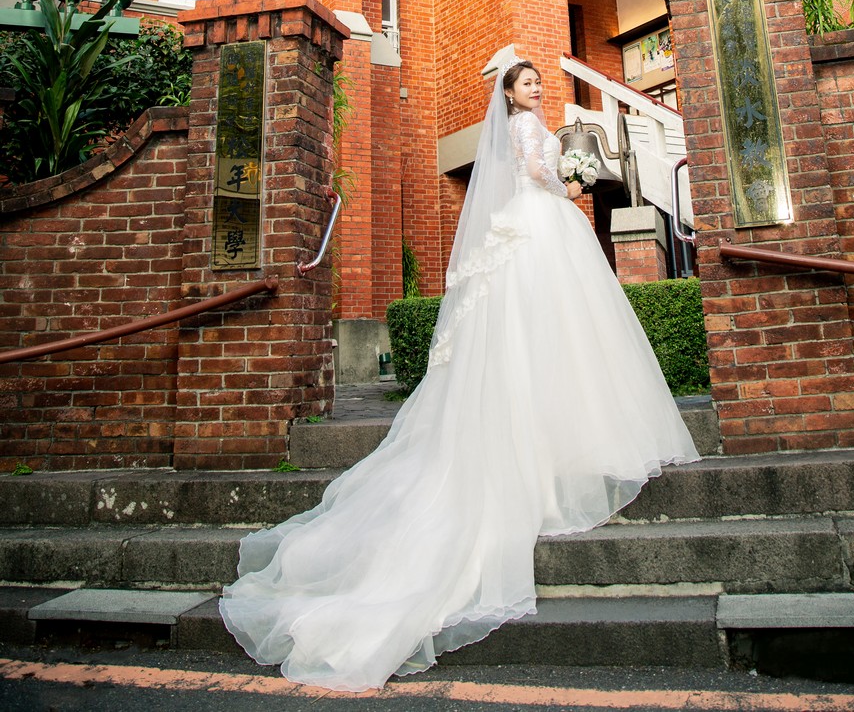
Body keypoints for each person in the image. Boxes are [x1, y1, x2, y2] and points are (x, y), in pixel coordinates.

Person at [220, 49, 699, 691]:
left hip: (528, 230)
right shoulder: (528, 131)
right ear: (509, 93)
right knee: (560, 325)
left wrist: (567, 176)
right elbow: (536, 173)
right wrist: (574, 183)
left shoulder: (520, 127)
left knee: (542, 328)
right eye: (526, 83)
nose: (535, 88)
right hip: (542, 226)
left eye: (537, 81)